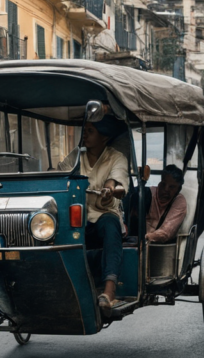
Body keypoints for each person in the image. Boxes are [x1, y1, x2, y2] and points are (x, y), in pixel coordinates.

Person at [58, 115, 128, 316]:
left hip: (103, 217)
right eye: (84, 130)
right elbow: (61, 173)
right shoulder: (76, 156)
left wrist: (110, 189)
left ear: (104, 136)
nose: (84, 135)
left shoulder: (116, 157)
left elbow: (117, 181)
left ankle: (109, 290)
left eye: (90, 131)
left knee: (110, 223)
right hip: (78, 220)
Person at [145, 165, 188, 244]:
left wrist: (145, 237)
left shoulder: (179, 201)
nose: (165, 189)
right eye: (163, 184)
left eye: (171, 187)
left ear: (178, 190)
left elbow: (165, 233)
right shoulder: (149, 193)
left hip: (159, 246)